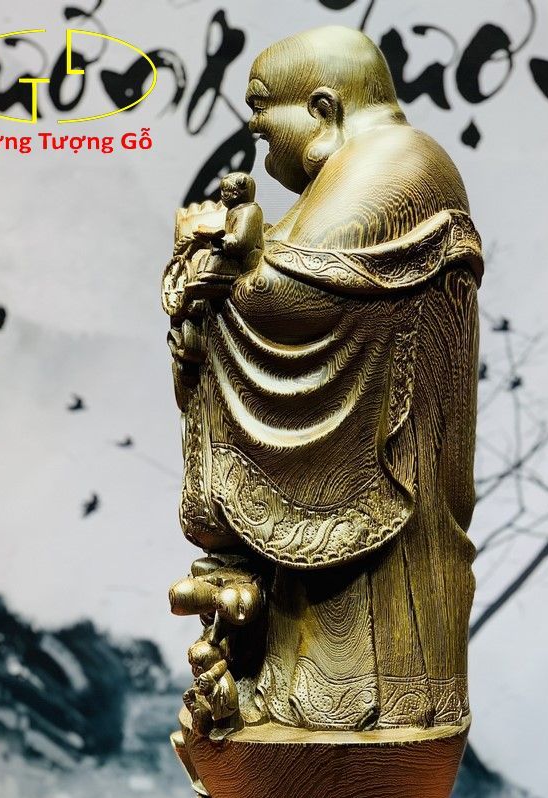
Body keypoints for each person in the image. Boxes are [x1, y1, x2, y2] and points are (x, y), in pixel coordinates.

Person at [176, 26, 483, 732]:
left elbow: (292, 299)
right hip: (367, 479)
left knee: (360, 683)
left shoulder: (397, 161)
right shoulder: (354, 169)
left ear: (321, 109)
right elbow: (285, 268)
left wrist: (208, 256)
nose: (259, 140)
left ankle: (350, 742)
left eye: (265, 119)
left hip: (388, 480)